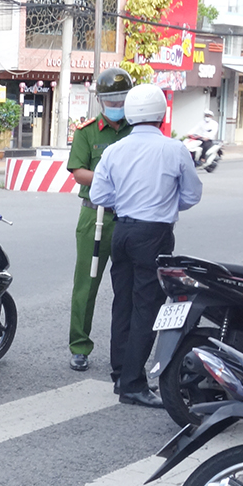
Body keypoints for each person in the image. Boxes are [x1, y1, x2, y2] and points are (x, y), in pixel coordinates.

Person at [90, 84, 202, 408]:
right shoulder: (174, 149)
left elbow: (99, 196)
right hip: (154, 234)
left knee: (122, 303)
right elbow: (192, 195)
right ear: (161, 113)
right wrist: (164, 204)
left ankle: (119, 374)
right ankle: (134, 384)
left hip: (121, 231)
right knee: (146, 308)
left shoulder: (114, 150)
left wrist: (127, 203)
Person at [66, 66, 134, 373]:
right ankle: (79, 347)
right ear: (101, 100)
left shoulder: (138, 128)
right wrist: (111, 179)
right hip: (95, 217)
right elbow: (78, 171)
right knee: (86, 285)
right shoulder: (87, 131)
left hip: (130, 219)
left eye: (122, 98)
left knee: (128, 286)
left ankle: (125, 351)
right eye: (112, 99)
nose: (117, 105)